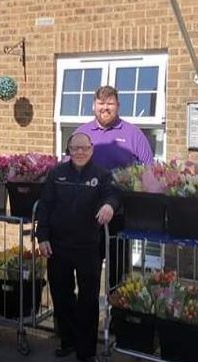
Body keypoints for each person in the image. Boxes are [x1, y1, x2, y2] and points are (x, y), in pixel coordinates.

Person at [35, 133, 119, 362]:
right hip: (58, 247)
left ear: (91, 149)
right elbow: (45, 207)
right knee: (62, 296)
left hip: (88, 248)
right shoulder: (57, 174)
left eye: (84, 148)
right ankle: (68, 340)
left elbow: (113, 195)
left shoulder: (102, 175)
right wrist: (42, 237)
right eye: (75, 148)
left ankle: (87, 351)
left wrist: (108, 206)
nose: (80, 152)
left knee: (88, 300)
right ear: (68, 150)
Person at [74, 85, 154, 289]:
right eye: (101, 103)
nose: (105, 108)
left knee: (118, 273)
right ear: (93, 106)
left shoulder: (133, 134)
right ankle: (88, 316)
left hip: (120, 214)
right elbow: (69, 168)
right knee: (87, 271)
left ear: (118, 106)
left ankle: (115, 315)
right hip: (87, 215)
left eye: (110, 103)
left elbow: (149, 170)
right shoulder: (82, 133)